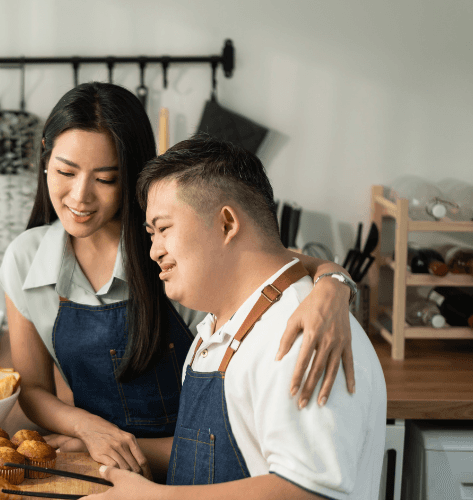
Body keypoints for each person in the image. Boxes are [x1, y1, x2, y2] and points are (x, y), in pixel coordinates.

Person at [0, 82, 358, 478]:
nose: (81, 196)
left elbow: (272, 261)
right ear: (45, 155)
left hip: (198, 466)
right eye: (66, 171)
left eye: (106, 179)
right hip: (102, 461)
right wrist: (90, 431)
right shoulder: (25, 259)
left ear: (130, 175)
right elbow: (32, 389)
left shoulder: (172, 250)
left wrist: (335, 284)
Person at [84, 135, 386, 499]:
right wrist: (100, 446)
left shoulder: (300, 333)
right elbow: (205, 457)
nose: (154, 251)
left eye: (163, 229)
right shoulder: (222, 327)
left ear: (227, 223)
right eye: (151, 235)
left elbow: (309, 492)